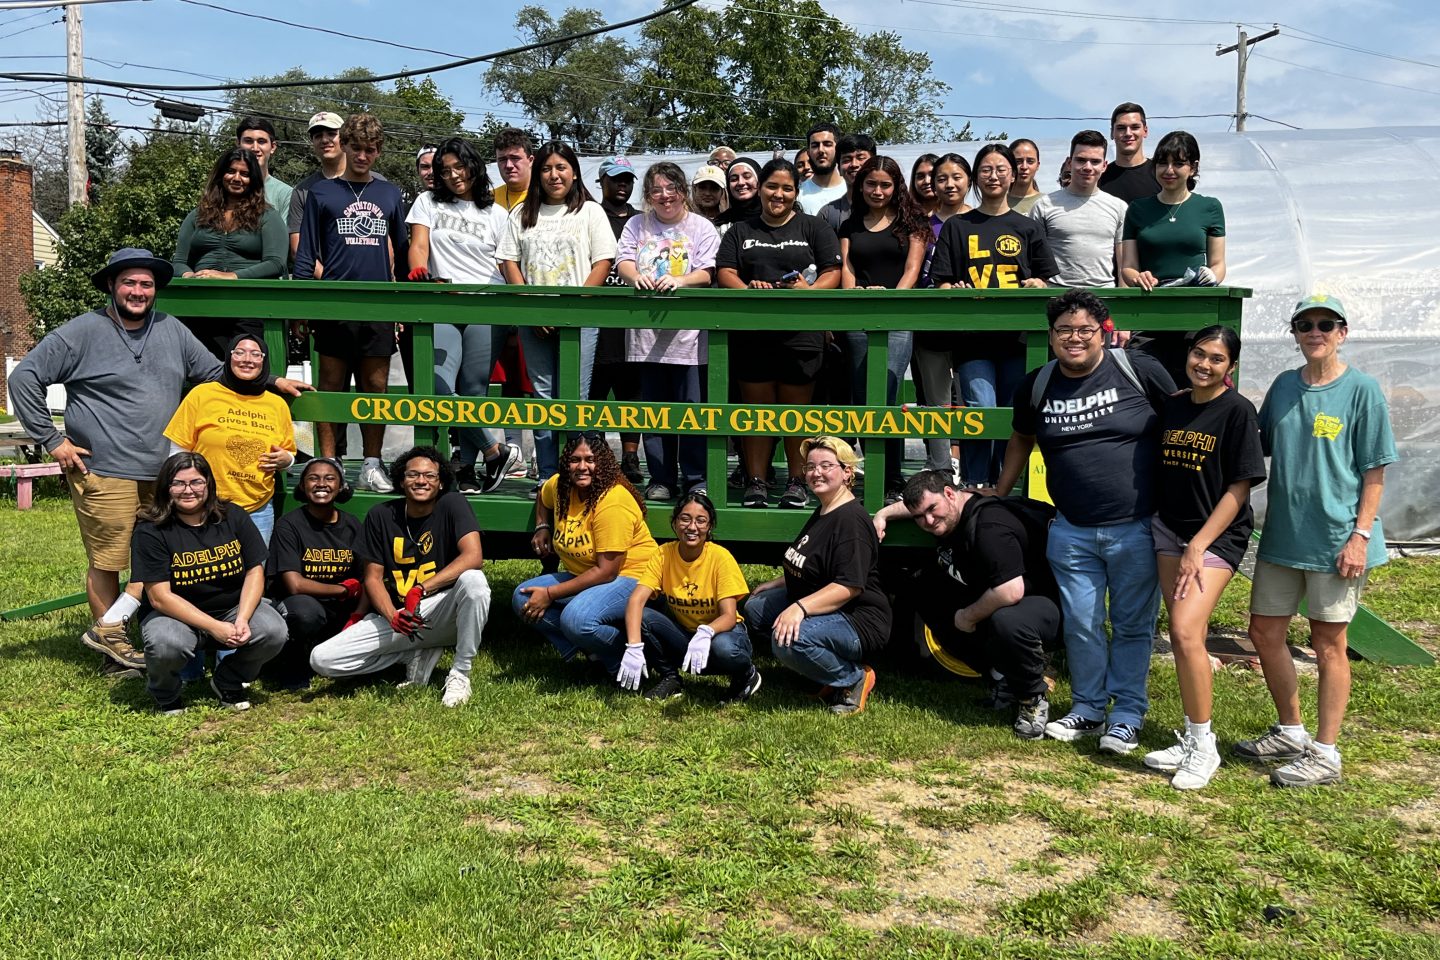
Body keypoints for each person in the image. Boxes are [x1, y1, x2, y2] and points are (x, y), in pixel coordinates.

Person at [8, 248, 305, 674]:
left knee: (157, 559)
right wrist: (54, 441)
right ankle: (113, 645)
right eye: (129, 282)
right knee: (109, 560)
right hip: (105, 470)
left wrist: (271, 380)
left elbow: (214, 371)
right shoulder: (82, 332)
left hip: (167, 474)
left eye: (146, 284)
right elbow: (25, 377)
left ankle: (150, 631)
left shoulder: (171, 329)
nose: (138, 291)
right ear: (112, 285)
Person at [995, 290, 1177, 755]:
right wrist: (999, 491)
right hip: (1071, 528)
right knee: (1080, 623)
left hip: (1136, 525)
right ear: (1051, 335)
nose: (1074, 339)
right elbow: (1020, 439)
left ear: (1104, 331)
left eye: (1084, 330)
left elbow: (1182, 422)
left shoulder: (1139, 370)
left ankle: (1128, 715)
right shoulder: (1036, 385)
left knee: (1133, 624)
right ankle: (1089, 707)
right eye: (1063, 331)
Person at [1236, 295, 1398, 788]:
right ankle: (1291, 731)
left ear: (1342, 332)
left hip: (1337, 539)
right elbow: (1253, 446)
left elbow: (1375, 473)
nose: (1315, 332)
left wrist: (1360, 536)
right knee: (1265, 633)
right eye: (1305, 324)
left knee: (1329, 643)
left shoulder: (1362, 391)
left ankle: (1326, 753)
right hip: (1284, 535)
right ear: (1295, 333)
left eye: (1326, 324)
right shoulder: (1284, 386)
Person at [1139, 326, 1266, 790]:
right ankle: (1191, 735)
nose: (1204, 364)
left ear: (1230, 368)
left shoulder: (1237, 411)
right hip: (1169, 529)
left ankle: (1204, 745)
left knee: (1185, 630)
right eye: (1198, 354)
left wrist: (1199, 546)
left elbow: (1239, 488)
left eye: (1216, 358)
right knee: (1183, 638)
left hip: (1215, 538)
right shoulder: (1173, 405)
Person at [874, 470, 1061, 739]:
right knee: (923, 590)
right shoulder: (956, 506)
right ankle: (1003, 676)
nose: (928, 521)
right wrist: (884, 515)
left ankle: (1032, 699)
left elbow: (1010, 590)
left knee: (1007, 620)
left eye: (932, 510)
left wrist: (967, 617)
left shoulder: (989, 527)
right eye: (919, 517)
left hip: (1048, 606)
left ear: (950, 494)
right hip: (1005, 595)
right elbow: (918, 504)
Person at [310, 446, 493, 707]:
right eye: (413, 475)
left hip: (444, 608)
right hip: (402, 617)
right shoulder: (381, 515)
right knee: (322, 659)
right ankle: (414, 653)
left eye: (430, 476)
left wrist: (421, 589)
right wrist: (391, 616)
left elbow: (473, 557)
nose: (421, 481)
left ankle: (460, 673)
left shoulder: (453, 504)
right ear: (400, 479)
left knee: (473, 580)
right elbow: (372, 578)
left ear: (441, 483)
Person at [927, 143, 1057, 487]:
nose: (994, 176)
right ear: (976, 178)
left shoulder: (1027, 227)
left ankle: (1007, 486)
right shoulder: (957, 226)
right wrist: (949, 291)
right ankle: (975, 483)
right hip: (974, 339)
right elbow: (939, 281)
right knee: (980, 409)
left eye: (1002, 169)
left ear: (1013, 175)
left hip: (1018, 340)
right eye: (986, 169)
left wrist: (1037, 283)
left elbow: (1047, 278)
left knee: (1015, 413)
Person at [716, 157, 842, 511]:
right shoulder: (742, 230)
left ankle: (797, 482)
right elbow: (725, 271)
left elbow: (833, 271)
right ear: (761, 189)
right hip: (753, 335)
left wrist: (808, 292)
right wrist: (746, 291)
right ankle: (757, 482)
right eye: (772, 186)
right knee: (756, 414)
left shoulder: (813, 227)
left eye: (787, 188)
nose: (779, 194)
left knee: (795, 415)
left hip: (802, 334)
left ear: (796, 191)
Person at [294, 113, 409, 491]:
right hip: (333, 305)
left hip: (377, 306)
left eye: (371, 149)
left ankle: (373, 463)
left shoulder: (390, 194)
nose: (363, 155)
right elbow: (306, 253)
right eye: (356, 147)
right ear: (344, 146)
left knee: (375, 389)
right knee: (331, 388)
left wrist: (401, 305)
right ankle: (330, 462)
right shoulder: (322, 193)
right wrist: (302, 307)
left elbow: (403, 253)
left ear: (379, 152)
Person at [496, 142, 616, 493]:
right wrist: (532, 306)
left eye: (561, 167)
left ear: (574, 171)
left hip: (578, 319)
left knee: (575, 398)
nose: (554, 175)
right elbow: (509, 262)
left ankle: (579, 473)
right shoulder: (521, 214)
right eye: (547, 168)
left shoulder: (590, 212)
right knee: (543, 399)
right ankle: (549, 475)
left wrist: (570, 309)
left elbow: (603, 262)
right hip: (534, 321)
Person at [406, 136, 523, 495]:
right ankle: (494, 450)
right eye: (445, 170)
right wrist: (418, 270)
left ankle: (468, 470)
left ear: (474, 166)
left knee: (474, 389)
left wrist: (521, 301)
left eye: (460, 167)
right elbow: (419, 244)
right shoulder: (427, 201)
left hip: (486, 304)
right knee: (438, 380)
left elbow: (507, 263)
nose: (454, 175)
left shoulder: (497, 213)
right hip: (442, 298)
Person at [131, 452, 286, 713]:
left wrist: (243, 619)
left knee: (273, 631)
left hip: (231, 606)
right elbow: (159, 597)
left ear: (209, 484)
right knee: (167, 644)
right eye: (178, 483)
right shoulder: (150, 530)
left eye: (196, 482)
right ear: (166, 487)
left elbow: (254, 571)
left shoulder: (232, 516)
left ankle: (228, 680)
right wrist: (215, 627)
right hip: (173, 613)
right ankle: (165, 693)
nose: (188, 490)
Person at [745, 437, 890, 715]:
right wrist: (778, 582)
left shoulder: (850, 521)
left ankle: (853, 677)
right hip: (827, 606)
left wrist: (798, 609)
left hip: (857, 618)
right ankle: (824, 671)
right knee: (756, 610)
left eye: (826, 465)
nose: (816, 473)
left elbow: (849, 587)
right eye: (810, 467)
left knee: (788, 640)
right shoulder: (826, 507)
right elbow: (814, 563)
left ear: (847, 472)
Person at [512, 433, 659, 679]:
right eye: (575, 460)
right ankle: (594, 654)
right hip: (587, 574)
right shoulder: (561, 485)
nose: (582, 467)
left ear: (603, 463)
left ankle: (622, 659)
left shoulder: (613, 501)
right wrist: (542, 526)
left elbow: (607, 571)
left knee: (576, 619)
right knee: (522, 597)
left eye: (590, 460)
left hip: (632, 577)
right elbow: (542, 497)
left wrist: (549, 594)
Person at [616, 161, 721, 501]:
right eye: (656, 190)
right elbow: (624, 261)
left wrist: (680, 280)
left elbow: (706, 272)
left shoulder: (701, 227)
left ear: (683, 191)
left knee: (691, 410)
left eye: (671, 188)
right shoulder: (636, 223)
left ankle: (695, 478)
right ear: (648, 195)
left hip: (688, 339)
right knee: (654, 412)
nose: (664, 196)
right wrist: (636, 277)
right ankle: (661, 478)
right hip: (646, 337)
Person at [839, 155, 927, 501]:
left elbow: (912, 270)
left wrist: (891, 300)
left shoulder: (912, 222)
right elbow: (847, 268)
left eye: (885, 185)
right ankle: (868, 472)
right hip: (857, 318)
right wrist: (856, 295)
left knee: (888, 396)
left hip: (897, 319)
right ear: (861, 186)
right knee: (862, 397)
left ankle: (891, 477)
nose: (878, 191)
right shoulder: (850, 223)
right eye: (871, 184)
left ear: (896, 187)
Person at [624, 492, 759, 703]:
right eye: (685, 518)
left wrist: (706, 632)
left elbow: (729, 616)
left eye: (701, 520)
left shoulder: (720, 557)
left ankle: (746, 675)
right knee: (643, 617)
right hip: (686, 634)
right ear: (675, 522)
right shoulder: (663, 554)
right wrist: (633, 646)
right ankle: (671, 678)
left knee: (724, 649)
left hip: (723, 633)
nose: (692, 527)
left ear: (710, 526)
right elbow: (636, 600)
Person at [163, 333, 296, 545]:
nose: (247, 359)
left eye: (255, 354)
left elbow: (289, 456)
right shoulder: (203, 394)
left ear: (264, 361)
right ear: (229, 357)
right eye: (239, 352)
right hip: (206, 505)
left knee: (255, 572)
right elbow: (177, 451)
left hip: (257, 509)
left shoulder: (277, 405)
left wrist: (286, 460)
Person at [1120, 131, 1227, 383]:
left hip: (1195, 311)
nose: (1169, 170)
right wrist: (1138, 277)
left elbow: (1219, 264)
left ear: (1193, 168)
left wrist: (1212, 276)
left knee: (1193, 383)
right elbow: (1128, 267)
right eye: (1162, 163)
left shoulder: (1210, 207)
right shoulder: (1138, 209)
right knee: (1145, 382)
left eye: (1178, 163)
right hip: (1150, 311)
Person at [171, 147, 288, 358]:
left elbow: (276, 262)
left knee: (242, 372)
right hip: (202, 306)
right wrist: (189, 275)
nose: (237, 178)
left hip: (248, 306)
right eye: (231, 171)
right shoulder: (198, 215)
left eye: (244, 174)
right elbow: (179, 261)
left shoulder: (268, 216)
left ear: (253, 179)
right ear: (220, 174)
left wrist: (231, 276)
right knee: (202, 372)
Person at [266, 457, 367, 690]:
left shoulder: (352, 525)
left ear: (341, 486)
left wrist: (358, 614)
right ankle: (293, 667)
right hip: (302, 605)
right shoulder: (289, 525)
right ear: (302, 486)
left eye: (330, 478)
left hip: (340, 608)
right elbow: (295, 585)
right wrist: (343, 590)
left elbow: (365, 577)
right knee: (305, 613)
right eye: (313, 478)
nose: (321, 483)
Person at [593, 155, 645, 484]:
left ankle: (630, 456)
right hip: (598, 314)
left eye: (627, 179)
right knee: (594, 388)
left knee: (633, 391)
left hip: (634, 316)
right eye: (616, 179)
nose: (622, 185)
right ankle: (596, 452)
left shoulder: (643, 221)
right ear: (603, 182)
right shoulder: (589, 215)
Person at [1029, 130, 1128, 288]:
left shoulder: (1119, 207)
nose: (1087, 167)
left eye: (1095, 161)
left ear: (1104, 165)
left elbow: (1124, 266)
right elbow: (1033, 260)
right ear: (1069, 162)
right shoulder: (1044, 205)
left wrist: (1125, 305)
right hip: (1057, 301)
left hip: (1103, 300)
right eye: (1081, 160)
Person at [235, 116, 292, 241]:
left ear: (272, 147)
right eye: (248, 141)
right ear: (238, 144)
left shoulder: (285, 194)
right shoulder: (224, 188)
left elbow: (281, 240)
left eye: (261, 141)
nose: (255, 148)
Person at [1099, 102, 1161, 204]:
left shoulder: (1161, 175)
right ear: (1112, 133)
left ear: (1145, 131)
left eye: (1135, 127)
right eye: (1121, 128)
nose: (1128, 133)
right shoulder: (1099, 178)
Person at [817, 132, 876, 232]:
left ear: (875, 163)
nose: (854, 164)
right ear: (839, 168)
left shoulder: (891, 210)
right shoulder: (828, 214)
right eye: (846, 159)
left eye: (860, 158)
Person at [798, 123, 847, 212]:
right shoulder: (798, 194)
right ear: (808, 152)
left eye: (827, 144)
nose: (821, 150)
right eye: (815, 145)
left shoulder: (852, 191)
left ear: (838, 149)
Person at [714, 156, 762, 236]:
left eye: (747, 176)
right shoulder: (721, 223)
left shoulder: (774, 217)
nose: (741, 182)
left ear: (759, 180)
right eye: (734, 179)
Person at [491, 127, 533, 211]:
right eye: (502, 160)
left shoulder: (548, 198)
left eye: (515, 158)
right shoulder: (488, 200)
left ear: (530, 161)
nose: (509, 165)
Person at [1007, 139, 1043, 215]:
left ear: (1038, 165)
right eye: (1018, 161)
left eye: (1030, 161)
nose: (1024, 167)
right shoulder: (998, 203)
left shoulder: (1047, 203)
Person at [910, 153, 939, 217]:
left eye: (932, 175)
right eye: (920, 176)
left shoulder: (957, 215)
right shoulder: (905, 216)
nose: (926, 181)